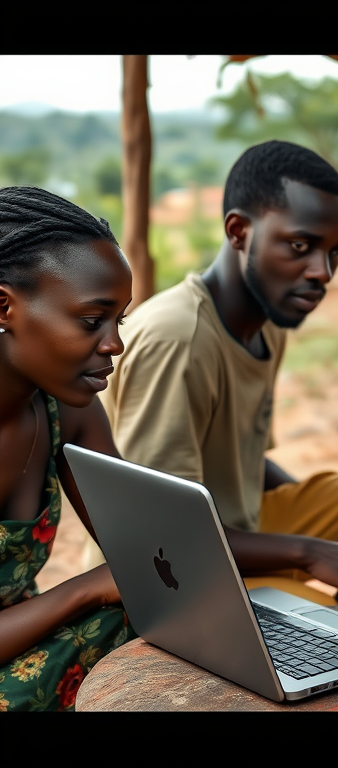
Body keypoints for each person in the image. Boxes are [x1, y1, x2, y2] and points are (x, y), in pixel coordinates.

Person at [98, 140, 338, 606]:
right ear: (238, 231)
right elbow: (165, 531)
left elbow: (245, 461)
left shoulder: (269, 319)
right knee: (321, 617)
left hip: (242, 523)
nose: (322, 272)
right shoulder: (179, 339)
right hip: (170, 566)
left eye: (335, 252)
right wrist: (311, 553)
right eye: (300, 245)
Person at [0, 186, 137, 711]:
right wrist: (82, 589)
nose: (114, 345)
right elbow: (105, 581)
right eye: (90, 321)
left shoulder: (64, 410)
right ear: (4, 306)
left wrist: (307, 552)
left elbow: (147, 544)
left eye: (118, 320)